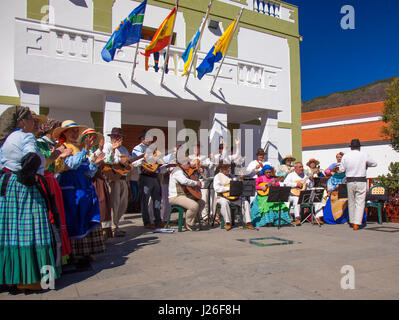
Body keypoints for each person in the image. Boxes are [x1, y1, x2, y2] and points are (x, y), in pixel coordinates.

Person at [0, 106, 60, 292]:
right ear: (21, 122)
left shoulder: (6, 140)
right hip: (24, 187)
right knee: (35, 229)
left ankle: (13, 278)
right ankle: (35, 280)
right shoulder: (26, 136)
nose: (34, 123)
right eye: (31, 120)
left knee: (12, 232)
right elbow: (31, 158)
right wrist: (30, 177)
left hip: (8, 185)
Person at [54, 120, 105, 267]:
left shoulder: (80, 148)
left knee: (86, 217)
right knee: (74, 218)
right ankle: (73, 254)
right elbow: (71, 165)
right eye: (72, 131)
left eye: (77, 131)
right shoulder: (63, 147)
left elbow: (88, 172)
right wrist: (85, 150)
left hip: (84, 187)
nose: (75, 134)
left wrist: (94, 164)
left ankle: (85, 251)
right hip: (71, 189)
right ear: (65, 133)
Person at [36, 118, 73, 264]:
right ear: (52, 131)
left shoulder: (53, 144)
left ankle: (60, 255)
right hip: (44, 181)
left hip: (52, 180)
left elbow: (56, 167)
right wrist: (58, 156)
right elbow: (43, 165)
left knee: (58, 216)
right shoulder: (40, 144)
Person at [81, 129, 113, 240]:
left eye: (95, 138)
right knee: (98, 204)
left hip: (98, 179)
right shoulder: (82, 150)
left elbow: (109, 160)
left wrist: (111, 149)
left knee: (104, 204)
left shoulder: (94, 150)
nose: (93, 140)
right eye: (91, 137)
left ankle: (103, 232)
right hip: (89, 181)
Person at [339, 139, 377, 230]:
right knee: (360, 202)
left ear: (351, 147)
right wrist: (366, 165)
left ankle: (352, 221)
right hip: (361, 180)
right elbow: (374, 164)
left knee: (351, 201)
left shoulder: (346, 156)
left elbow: (341, 169)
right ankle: (357, 223)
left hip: (350, 180)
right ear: (359, 147)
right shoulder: (364, 155)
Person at [132, 129, 164, 229]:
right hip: (145, 176)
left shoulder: (154, 149)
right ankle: (147, 222)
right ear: (142, 139)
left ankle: (158, 220)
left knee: (157, 199)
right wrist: (147, 158)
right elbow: (135, 162)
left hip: (155, 176)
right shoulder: (137, 148)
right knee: (144, 200)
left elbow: (159, 161)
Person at [102, 127, 131, 237]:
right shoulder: (108, 146)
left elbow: (128, 161)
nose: (117, 138)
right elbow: (106, 160)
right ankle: (113, 227)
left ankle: (116, 224)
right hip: (113, 178)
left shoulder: (124, 149)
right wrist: (119, 159)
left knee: (123, 204)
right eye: (115, 136)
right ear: (111, 137)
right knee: (114, 203)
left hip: (123, 178)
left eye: (119, 136)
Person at [214, 164, 255, 231]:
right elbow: (217, 188)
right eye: (226, 169)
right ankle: (227, 223)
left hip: (234, 197)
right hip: (222, 197)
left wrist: (240, 179)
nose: (228, 170)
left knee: (245, 202)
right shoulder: (217, 176)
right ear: (222, 169)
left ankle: (248, 222)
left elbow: (238, 184)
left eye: (229, 168)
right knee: (224, 203)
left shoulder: (231, 176)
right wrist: (228, 188)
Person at [168, 159, 205, 231]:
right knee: (194, 205)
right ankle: (189, 225)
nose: (189, 164)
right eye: (188, 163)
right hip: (176, 196)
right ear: (183, 164)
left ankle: (192, 221)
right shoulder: (177, 171)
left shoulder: (183, 171)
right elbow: (184, 181)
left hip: (183, 195)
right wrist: (195, 183)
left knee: (201, 202)